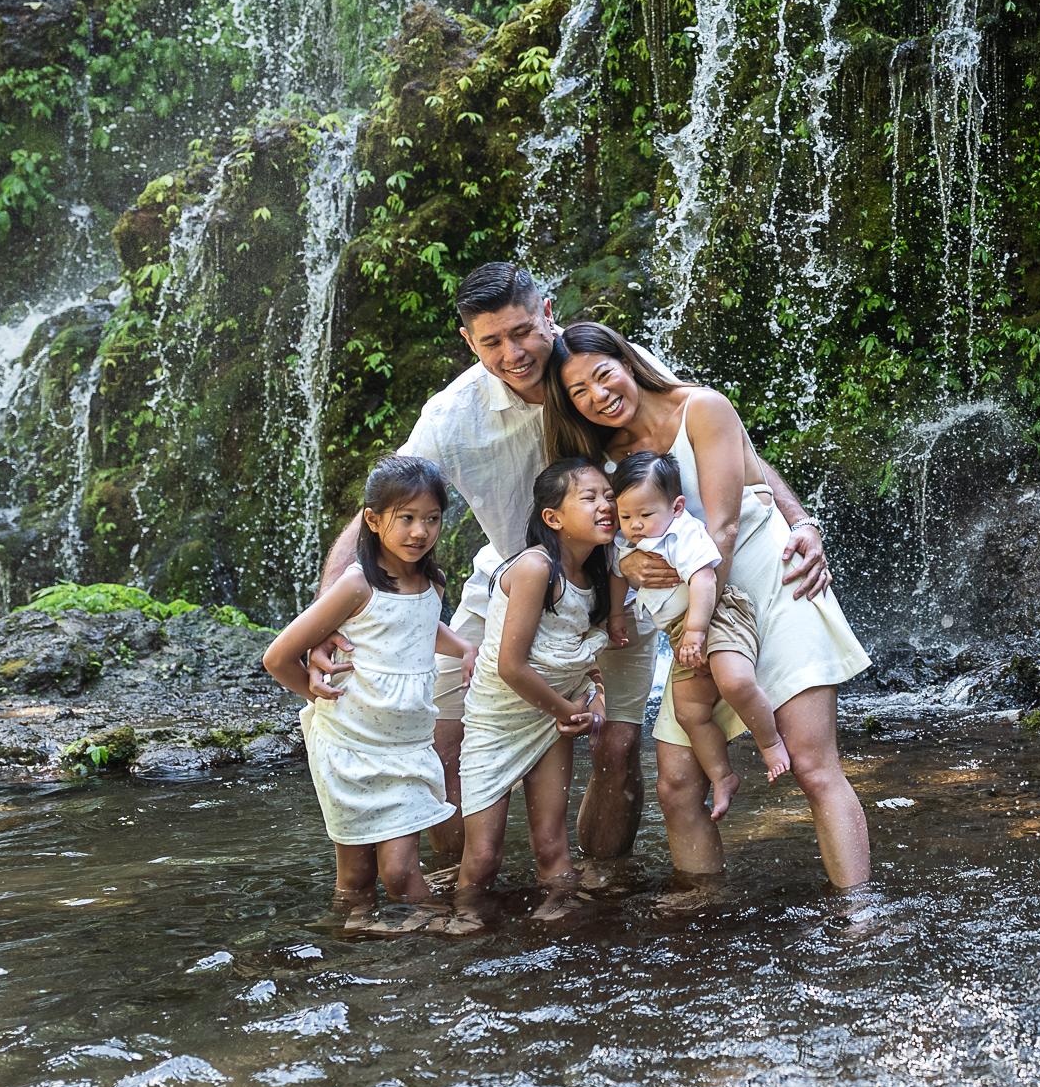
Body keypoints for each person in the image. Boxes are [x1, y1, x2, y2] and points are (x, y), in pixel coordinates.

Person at [310, 263, 836, 874]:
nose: (513, 354)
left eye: (522, 332)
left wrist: (800, 521)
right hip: (513, 578)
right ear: (469, 343)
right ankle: (462, 885)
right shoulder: (452, 415)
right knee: (444, 741)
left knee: (618, 744)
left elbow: (719, 442)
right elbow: (377, 511)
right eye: (492, 342)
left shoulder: (602, 367)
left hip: (621, 581)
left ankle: (598, 887)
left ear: (548, 313)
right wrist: (329, 617)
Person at [544, 322, 873, 888]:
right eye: (579, 391)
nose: (598, 395)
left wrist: (700, 625)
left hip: (766, 583)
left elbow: (721, 528)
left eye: (603, 375)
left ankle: (859, 913)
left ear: (627, 362)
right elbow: (602, 542)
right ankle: (703, 912)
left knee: (813, 765)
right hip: (690, 618)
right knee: (676, 784)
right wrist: (626, 564)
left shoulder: (702, 408)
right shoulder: (601, 462)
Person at [261, 455, 472, 932]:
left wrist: (461, 646)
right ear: (373, 520)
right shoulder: (356, 584)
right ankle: (354, 954)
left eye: (432, 518)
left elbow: (417, 627)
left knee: (399, 873)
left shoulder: (433, 582)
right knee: (355, 880)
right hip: (348, 749)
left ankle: (442, 944)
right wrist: (317, 697)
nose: (420, 531)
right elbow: (278, 657)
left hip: (407, 749)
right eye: (407, 517)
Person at [449, 457, 631, 932]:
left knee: (553, 846)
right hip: (499, 719)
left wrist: (594, 701)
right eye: (589, 498)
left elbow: (580, 656)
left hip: (551, 719)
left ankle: (559, 929)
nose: (606, 505)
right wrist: (568, 710)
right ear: (553, 517)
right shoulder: (535, 567)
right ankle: (465, 929)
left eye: (610, 496)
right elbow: (511, 665)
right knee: (484, 856)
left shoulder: (597, 574)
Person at [610, 449, 785, 816]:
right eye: (626, 516)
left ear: (676, 507)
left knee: (734, 681)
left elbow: (705, 580)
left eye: (645, 515)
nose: (635, 525)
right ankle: (723, 776)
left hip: (714, 615)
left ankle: (771, 744)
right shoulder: (629, 544)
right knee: (689, 713)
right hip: (681, 634)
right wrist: (615, 614)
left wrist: (696, 630)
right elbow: (616, 573)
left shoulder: (681, 533)